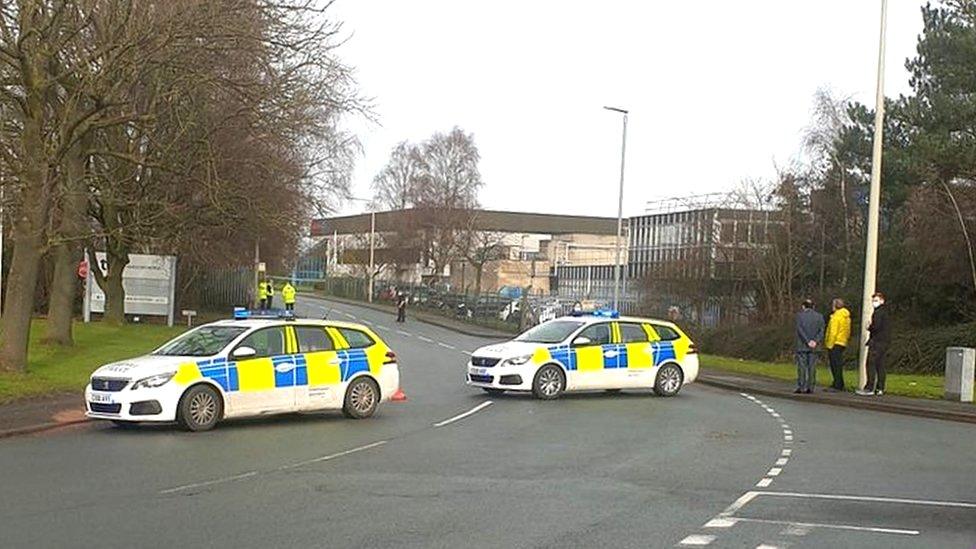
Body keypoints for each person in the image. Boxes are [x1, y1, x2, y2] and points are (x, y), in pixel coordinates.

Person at [858, 292, 891, 396]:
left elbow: (876, 326)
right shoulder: (887, 312)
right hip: (885, 342)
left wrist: (869, 327)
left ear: (882, 301)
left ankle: (869, 387)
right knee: (881, 366)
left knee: (870, 364)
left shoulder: (878, 312)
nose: (874, 303)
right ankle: (880, 388)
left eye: (876, 301)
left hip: (877, 342)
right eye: (873, 301)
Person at [794, 299, 825, 394]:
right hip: (814, 346)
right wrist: (815, 341)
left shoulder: (800, 316)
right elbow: (822, 330)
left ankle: (801, 386)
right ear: (813, 307)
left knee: (802, 367)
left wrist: (807, 341)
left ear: (803, 306)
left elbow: (800, 330)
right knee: (812, 367)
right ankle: (811, 387)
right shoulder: (819, 316)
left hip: (802, 345)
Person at [824, 298, 851, 391]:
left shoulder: (835, 317)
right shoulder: (846, 317)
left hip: (835, 343)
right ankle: (839, 383)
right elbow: (847, 330)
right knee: (838, 364)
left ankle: (837, 384)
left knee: (835, 364)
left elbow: (833, 332)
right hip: (842, 342)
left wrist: (829, 345)